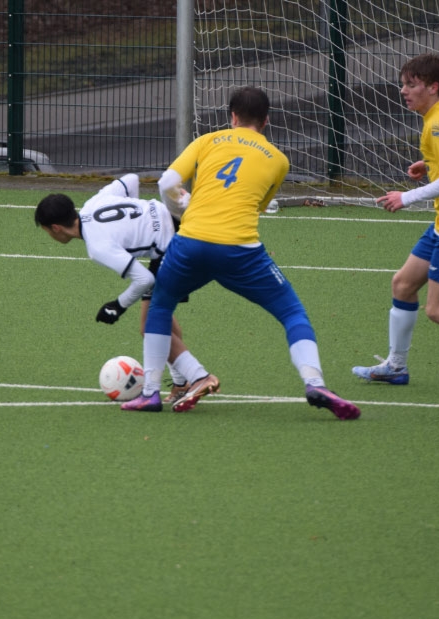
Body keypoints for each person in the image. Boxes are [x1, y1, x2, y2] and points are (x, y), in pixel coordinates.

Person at [122, 86, 359, 419]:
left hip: (190, 242)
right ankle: (314, 382)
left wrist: (183, 212)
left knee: (160, 305)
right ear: (266, 120)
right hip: (239, 249)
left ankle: (150, 394)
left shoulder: (207, 141)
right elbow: (259, 206)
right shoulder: (278, 160)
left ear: (232, 116)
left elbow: (166, 183)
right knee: (292, 313)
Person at [353, 53, 439, 385]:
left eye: (411, 85)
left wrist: (406, 197)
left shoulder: (437, 125)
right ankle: (396, 367)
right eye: (403, 84)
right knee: (403, 284)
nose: (404, 91)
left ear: (433, 87)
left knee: (438, 309)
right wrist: (431, 163)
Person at [34, 174, 216, 405]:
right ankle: (181, 384)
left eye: (47, 231)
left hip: (177, 246)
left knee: (150, 326)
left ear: (56, 228)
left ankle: (199, 377)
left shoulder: (97, 246)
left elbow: (144, 280)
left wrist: (118, 305)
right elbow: (131, 180)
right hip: (178, 221)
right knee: (161, 317)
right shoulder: (93, 203)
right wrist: (139, 221)